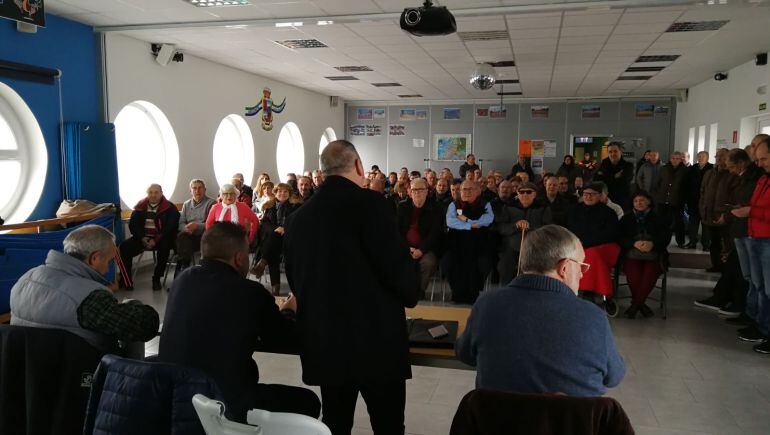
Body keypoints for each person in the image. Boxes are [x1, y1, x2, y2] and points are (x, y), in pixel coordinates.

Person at [283, 140, 419, 434]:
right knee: (388, 424)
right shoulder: (372, 205)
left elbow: (295, 279)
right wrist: (411, 289)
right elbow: (397, 271)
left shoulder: (297, 219)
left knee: (335, 423)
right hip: (375, 341)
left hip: (326, 340)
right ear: (359, 166)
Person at [159, 222, 320, 422]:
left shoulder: (182, 280)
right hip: (222, 401)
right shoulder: (250, 292)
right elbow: (284, 339)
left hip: (173, 395)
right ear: (239, 258)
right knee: (308, 401)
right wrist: (288, 311)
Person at [456, 225, 625, 396]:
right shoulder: (592, 316)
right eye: (581, 266)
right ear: (564, 268)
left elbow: (465, 354)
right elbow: (614, 377)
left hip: (496, 421)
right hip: (570, 421)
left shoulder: (487, 304)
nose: (582, 274)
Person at [11, 225, 159, 355]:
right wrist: (133, 305)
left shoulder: (25, 278)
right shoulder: (89, 297)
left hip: (29, 370)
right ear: (95, 258)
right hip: (78, 372)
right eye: (109, 261)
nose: (108, 268)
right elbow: (146, 326)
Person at [696, 149, 762, 316]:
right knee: (734, 265)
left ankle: (743, 308)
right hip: (735, 223)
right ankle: (729, 300)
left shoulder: (754, 177)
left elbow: (743, 202)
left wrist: (730, 212)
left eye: (731, 166)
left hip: (749, 230)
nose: (729, 169)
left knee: (746, 273)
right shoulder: (743, 177)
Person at [731, 139, 770, 352]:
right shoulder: (764, 179)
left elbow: (760, 210)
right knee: (759, 286)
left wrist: (751, 212)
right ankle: (760, 326)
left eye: (764, 158)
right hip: (755, 237)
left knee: (768, 289)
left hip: (767, 241)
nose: (760, 162)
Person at [119, 183, 180, 291]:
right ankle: (126, 280)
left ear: (161, 193)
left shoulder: (170, 207)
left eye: (156, 192)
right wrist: (142, 237)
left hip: (162, 238)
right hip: (143, 238)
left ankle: (156, 279)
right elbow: (133, 224)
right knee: (124, 247)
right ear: (147, 194)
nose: (153, 195)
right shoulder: (140, 206)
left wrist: (155, 240)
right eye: (150, 192)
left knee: (164, 248)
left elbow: (170, 227)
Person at [619, 191, 668, 318]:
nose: (638, 203)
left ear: (649, 202)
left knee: (648, 276)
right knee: (634, 277)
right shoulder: (626, 218)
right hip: (632, 253)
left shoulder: (659, 218)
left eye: (642, 200)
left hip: (654, 255)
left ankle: (635, 305)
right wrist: (633, 243)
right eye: (635, 201)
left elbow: (665, 237)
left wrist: (653, 244)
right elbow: (620, 237)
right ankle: (640, 305)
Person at [568, 182, 620, 300]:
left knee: (592, 254)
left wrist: (585, 242)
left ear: (600, 196)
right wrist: (577, 241)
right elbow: (570, 228)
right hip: (577, 244)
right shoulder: (574, 210)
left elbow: (610, 234)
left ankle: (588, 291)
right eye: (586, 194)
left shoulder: (609, 212)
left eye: (592, 194)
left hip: (603, 245)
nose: (588, 196)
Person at [446, 180, 495, 304]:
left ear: (477, 191)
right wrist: (471, 225)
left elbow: (487, 220)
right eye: (464, 189)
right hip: (457, 243)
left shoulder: (485, 204)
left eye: (470, 189)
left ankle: (474, 294)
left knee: (481, 263)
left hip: (479, 243)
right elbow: (450, 222)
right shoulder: (454, 205)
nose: (466, 192)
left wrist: (466, 221)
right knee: (449, 262)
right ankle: (457, 293)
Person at [495, 182, 552, 285]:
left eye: (528, 192)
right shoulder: (508, 207)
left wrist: (531, 227)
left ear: (534, 194)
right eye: (522, 192)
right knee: (505, 266)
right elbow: (501, 227)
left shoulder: (543, 208)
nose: (525, 194)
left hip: (535, 248)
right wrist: (515, 226)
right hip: (511, 249)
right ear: (517, 193)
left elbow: (548, 228)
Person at [252, 183, 301, 295]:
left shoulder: (295, 206)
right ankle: (275, 289)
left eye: (285, 192)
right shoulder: (270, 206)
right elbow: (264, 224)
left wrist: (285, 229)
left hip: (289, 238)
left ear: (289, 194)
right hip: (274, 239)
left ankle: (263, 265)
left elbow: (297, 223)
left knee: (273, 243)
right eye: (279, 191)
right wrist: (277, 228)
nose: (282, 194)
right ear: (275, 193)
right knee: (274, 241)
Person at [397, 178, 443, 297]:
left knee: (427, 263)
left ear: (427, 191)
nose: (417, 192)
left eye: (421, 189)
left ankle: (418, 292)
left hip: (426, 248)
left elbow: (435, 234)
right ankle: (403, 290)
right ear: (410, 192)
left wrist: (421, 250)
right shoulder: (402, 207)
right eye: (414, 190)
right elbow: (397, 231)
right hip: (405, 247)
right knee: (397, 259)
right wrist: (407, 248)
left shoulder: (436, 208)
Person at [699, 148, 733, 272]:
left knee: (725, 242)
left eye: (722, 156)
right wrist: (702, 208)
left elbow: (732, 197)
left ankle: (725, 267)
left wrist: (725, 213)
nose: (719, 158)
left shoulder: (731, 174)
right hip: (709, 212)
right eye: (717, 156)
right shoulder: (709, 173)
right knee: (714, 242)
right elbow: (702, 191)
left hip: (723, 215)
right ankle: (716, 265)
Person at [176, 179, 216, 273]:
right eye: (194, 188)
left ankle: (183, 272)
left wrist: (197, 226)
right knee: (182, 237)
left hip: (204, 236)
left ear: (204, 190)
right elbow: (181, 222)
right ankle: (184, 268)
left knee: (184, 246)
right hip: (189, 236)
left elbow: (212, 224)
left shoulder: (211, 203)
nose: (197, 191)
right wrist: (185, 228)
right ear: (190, 191)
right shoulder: (186, 204)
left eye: (200, 188)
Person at [654, 151, 688, 247]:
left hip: (677, 201)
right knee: (663, 222)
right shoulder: (663, 168)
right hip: (663, 200)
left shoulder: (685, 170)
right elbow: (657, 183)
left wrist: (683, 198)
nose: (675, 160)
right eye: (673, 158)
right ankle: (663, 241)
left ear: (680, 159)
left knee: (679, 222)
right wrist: (658, 195)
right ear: (670, 159)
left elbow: (687, 186)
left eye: (677, 158)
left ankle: (680, 242)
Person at [685, 151, 713, 249]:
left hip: (706, 201)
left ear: (707, 158)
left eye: (703, 156)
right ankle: (692, 242)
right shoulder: (692, 169)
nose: (701, 158)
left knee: (705, 223)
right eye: (699, 156)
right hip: (693, 200)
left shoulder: (712, 169)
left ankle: (706, 244)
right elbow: (687, 184)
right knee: (693, 222)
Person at [594, 142, 634, 211]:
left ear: (620, 152)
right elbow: (596, 181)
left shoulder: (628, 166)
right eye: (610, 152)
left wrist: (605, 177)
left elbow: (624, 182)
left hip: (622, 201)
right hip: (605, 200)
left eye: (615, 151)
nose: (613, 154)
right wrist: (614, 176)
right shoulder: (603, 164)